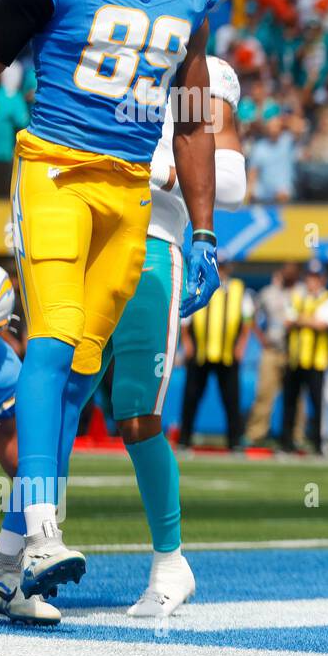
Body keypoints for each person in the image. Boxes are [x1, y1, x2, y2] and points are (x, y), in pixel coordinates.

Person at [0, 0, 223, 606]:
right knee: (49, 344)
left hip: (130, 190)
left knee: (77, 385)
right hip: (54, 171)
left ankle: (2, 567)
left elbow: (196, 109)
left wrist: (206, 229)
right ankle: (42, 533)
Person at [90, 55, 244, 616]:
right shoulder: (117, 56)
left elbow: (230, 179)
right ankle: (17, 550)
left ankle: (169, 560)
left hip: (153, 243)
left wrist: (162, 168)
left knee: (137, 415)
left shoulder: (196, 75)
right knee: (55, 398)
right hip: (90, 239)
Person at [0, 260, 57, 624]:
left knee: (34, 466)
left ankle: (5, 569)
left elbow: (21, 465)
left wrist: (32, 526)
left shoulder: (4, 376)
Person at [179, 262, 254, 453]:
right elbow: (185, 318)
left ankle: (235, 441)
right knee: (191, 397)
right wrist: (187, 343)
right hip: (201, 352)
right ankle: (184, 439)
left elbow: (247, 321)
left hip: (227, 353)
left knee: (231, 399)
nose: (220, 270)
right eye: (217, 266)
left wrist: (241, 346)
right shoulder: (197, 285)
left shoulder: (238, 289)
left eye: (223, 267)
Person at [280, 259, 328, 456]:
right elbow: (287, 321)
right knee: (290, 403)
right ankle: (286, 443)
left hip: (317, 361)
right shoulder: (297, 296)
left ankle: (319, 444)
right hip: (295, 359)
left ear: (323, 279)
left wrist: (300, 319)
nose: (312, 281)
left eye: (316, 277)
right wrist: (306, 320)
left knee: (318, 404)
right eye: (310, 277)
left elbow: (323, 324)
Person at [245, 262, 299, 446]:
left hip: (294, 351)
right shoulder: (269, 293)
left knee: (296, 398)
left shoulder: (301, 293)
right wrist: (261, 338)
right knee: (264, 393)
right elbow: (250, 315)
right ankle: (256, 434)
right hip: (272, 349)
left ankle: (295, 436)